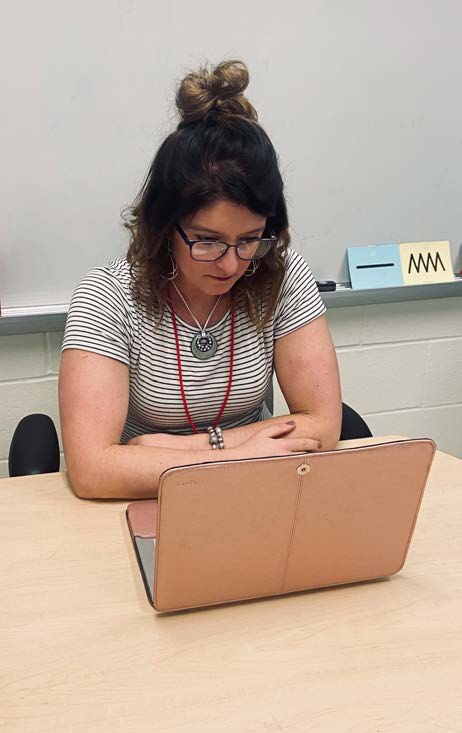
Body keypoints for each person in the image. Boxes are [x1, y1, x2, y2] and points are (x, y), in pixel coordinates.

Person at [59, 59, 342, 500]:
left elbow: (322, 424)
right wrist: (237, 455)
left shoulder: (281, 277)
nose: (231, 265)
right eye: (208, 241)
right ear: (164, 225)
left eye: (249, 239)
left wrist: (169, 449)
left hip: (252, 493)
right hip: (146, 500)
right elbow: (93, 469)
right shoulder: (108, 297)